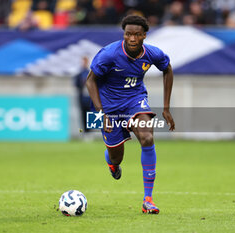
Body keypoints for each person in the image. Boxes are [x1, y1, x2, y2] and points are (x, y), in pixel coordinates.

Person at [86, 15, 175, 214]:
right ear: (124, 35)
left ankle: (148, 199)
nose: (132, 39)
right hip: (108, 106)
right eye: (128, 34)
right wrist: (101, 113)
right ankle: (111, 162)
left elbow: (167, 70)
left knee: (147, 137)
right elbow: (90, 81)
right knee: (117, 156)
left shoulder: (152, 54)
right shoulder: (108, 54)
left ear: (144, 35)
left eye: (136, 35)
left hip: (135, 100)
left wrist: (166, 108)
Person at [74, 56, 92, 133]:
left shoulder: (90, 73)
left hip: (90, 98)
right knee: (83, 115)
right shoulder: (79, 74)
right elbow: (76, 85)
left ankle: (91, 131)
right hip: (82, 98)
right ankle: (85, 132)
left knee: (91, 115)